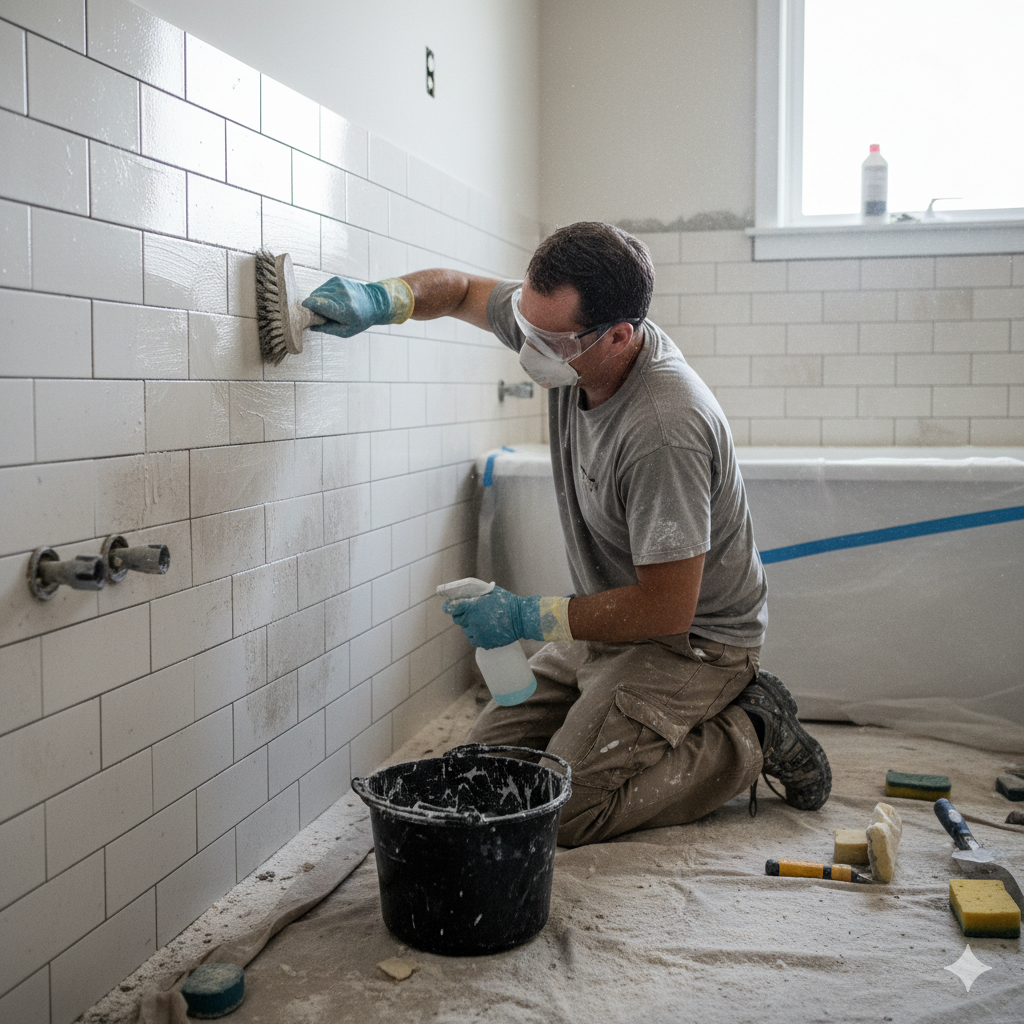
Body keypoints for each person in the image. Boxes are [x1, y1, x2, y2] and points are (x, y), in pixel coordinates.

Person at [302, 221, 832, 847]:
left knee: (563, 811)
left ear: (619, 336)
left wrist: (528, 615)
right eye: (527, 328)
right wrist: (381, 300)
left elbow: (668, 607)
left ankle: (750, 732)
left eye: (549, 339)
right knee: (485, 771)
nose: (530, 349)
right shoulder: (557, 332)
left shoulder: (665, 427)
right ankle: (622, 710)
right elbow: (463, 289)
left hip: (694, 644)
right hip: (611, 633)